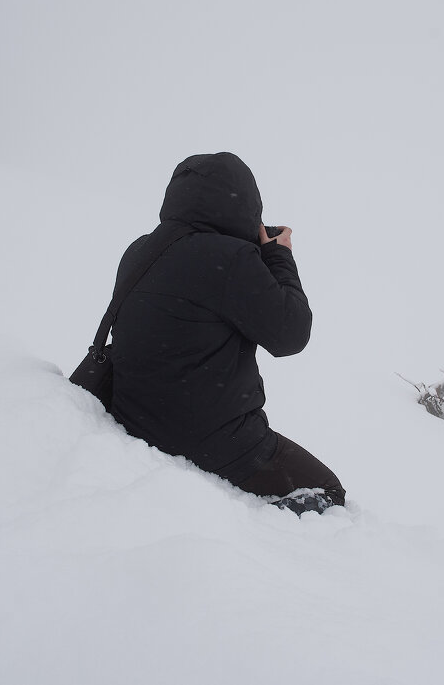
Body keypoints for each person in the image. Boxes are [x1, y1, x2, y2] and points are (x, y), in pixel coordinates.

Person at [104, 152, 344, 515]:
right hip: (215, 442)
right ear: (247, 204)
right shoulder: (231, 259)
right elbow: (291, 334)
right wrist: (278, 256)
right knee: (328, 491)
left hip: (135, 419)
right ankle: (255, 533)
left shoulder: (139, 250)